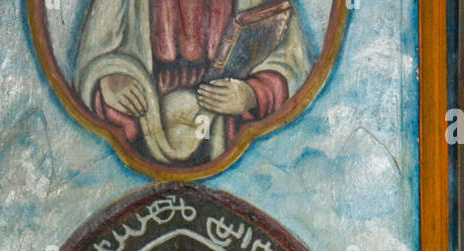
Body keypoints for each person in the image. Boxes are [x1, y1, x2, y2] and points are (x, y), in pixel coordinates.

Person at [73, 0, 313, 164]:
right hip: (146, 112)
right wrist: (110, 77)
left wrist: (252, 93)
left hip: (225, 115)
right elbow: (95, 54)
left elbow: (289, 59)